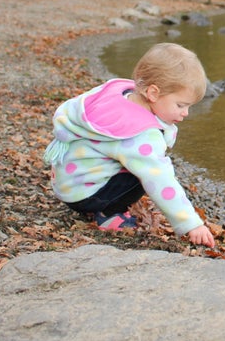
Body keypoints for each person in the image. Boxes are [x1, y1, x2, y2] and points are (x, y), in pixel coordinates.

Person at [43, 43, 215, 247]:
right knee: (148, 171)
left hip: (69, 183)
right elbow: (160, 180)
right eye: (181, 105)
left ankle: (100, 200)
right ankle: (107, 213)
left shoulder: (120, 92)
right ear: (152, 93)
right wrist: (191, 224)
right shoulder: (140, 133)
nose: (185, 113)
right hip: (84, 195)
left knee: (142, 163)